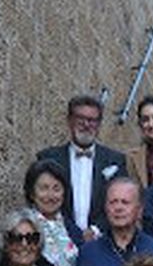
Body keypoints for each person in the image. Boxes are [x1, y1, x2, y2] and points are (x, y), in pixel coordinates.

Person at [36, 95, 127, 239]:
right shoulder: (48, 158)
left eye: (92, 120)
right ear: (69, 121)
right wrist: (74, 233)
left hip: (102, 242)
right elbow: (42, 201)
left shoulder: (115, 160)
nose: (86, 124)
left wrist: (96, 230)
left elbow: (121, 200)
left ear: (99, 124)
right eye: (80, 118)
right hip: (57, 239)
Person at [21, 159, 84, 266]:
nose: (50, 196)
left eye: (56, 188)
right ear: (32, 193)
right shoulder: (23, 226)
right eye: (44, 188)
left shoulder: (72, 228)